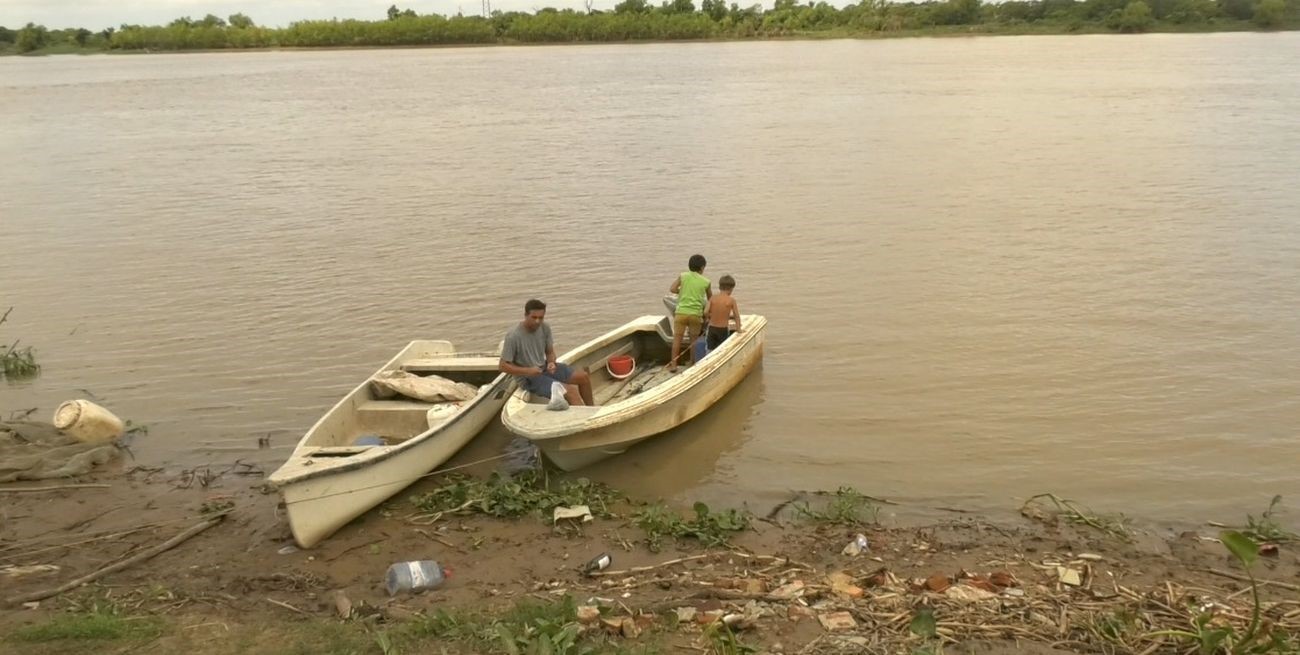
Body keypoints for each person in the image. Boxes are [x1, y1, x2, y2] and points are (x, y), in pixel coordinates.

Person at [498, 299, 593, 406]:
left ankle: (592, 409)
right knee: (570, 391)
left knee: (584, 377)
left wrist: (551, 362)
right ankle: (582, 419)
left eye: (541, 318)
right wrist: (528, 371)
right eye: (534, 317)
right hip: (528, 378)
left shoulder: (545, 327)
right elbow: (503, 366)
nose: (537, 321)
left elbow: (550, 352)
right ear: (525, 315)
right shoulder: (513, 336)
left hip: (544, 368)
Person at [668, 254, 711, 372]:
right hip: (695, 315)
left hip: (681, 313)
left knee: (677, 339)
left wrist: (681, 291)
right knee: (693, 341)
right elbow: (710, 299)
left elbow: (672, 289)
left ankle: (673, 365)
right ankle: (692, 363)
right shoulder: (706, 281)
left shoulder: (683, 276)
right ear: (702, 268)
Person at [704, 274, 742, 351]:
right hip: (723, 329)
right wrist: (738, 329)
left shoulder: (712, 298)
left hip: (712, 328)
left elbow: (705, 312)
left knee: (710, 349)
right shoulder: (731, 300)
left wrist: (709, 317)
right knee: (722, 350)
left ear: (719, 287)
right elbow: (736, 316)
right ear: (731, 289)